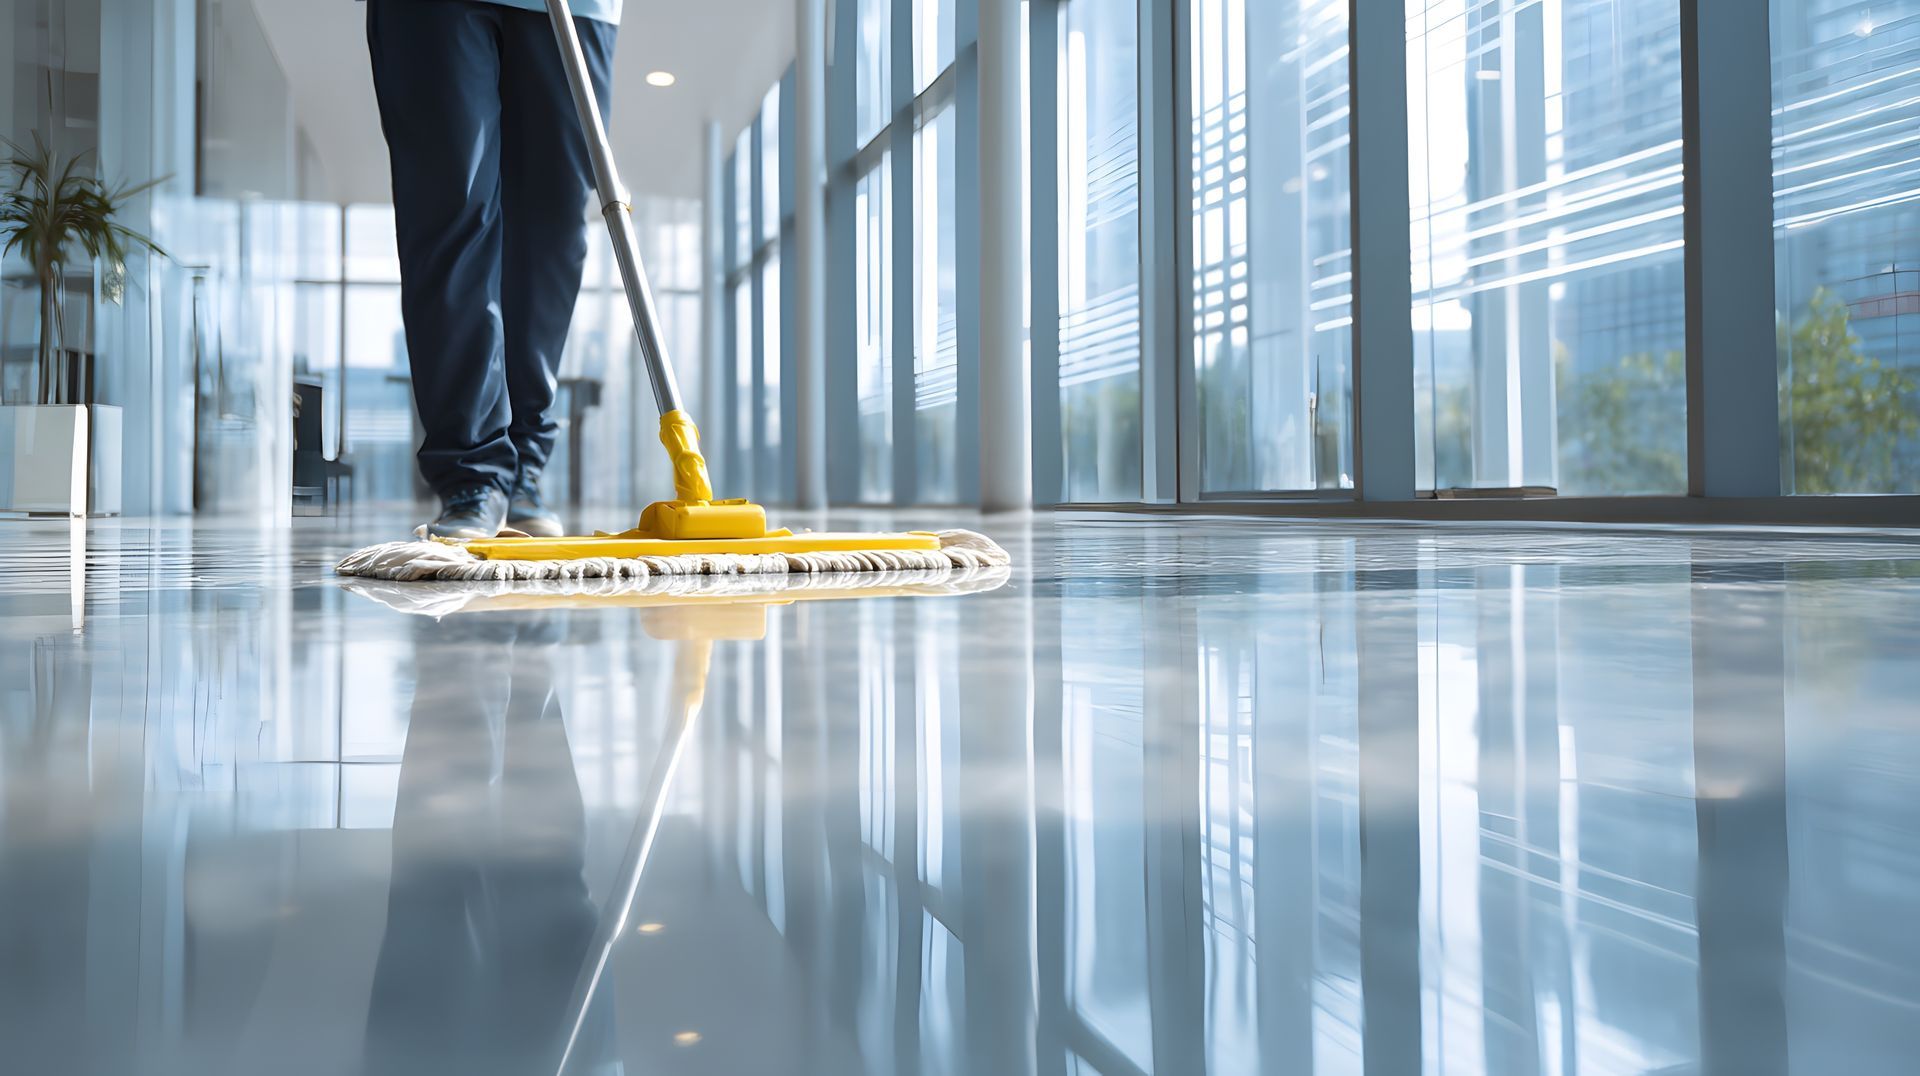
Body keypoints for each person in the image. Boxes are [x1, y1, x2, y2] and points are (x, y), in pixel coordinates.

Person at [365, 0, 622, 538]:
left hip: (580, 9)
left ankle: (524, 465)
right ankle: (473, 473)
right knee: (450, 210)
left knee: (554, 230)